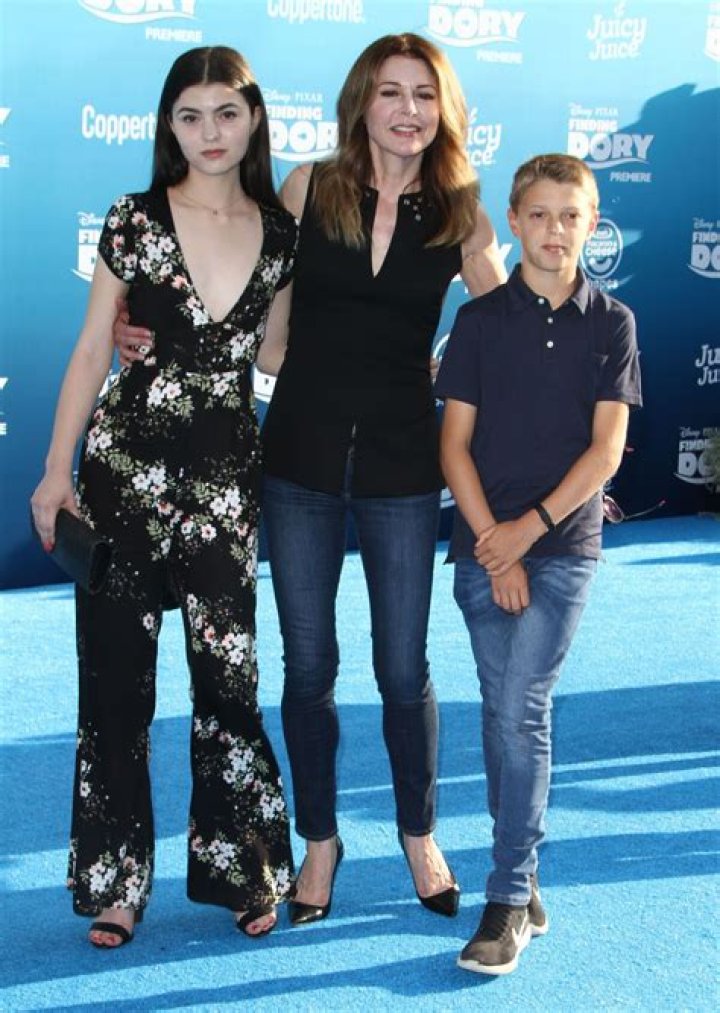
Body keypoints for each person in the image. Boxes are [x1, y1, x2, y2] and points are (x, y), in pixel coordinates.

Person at [114, 32, 507, 926]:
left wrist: (565, 335)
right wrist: (135, 324)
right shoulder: (307, 188)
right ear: (361, 101)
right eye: (391, 92)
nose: (407, 110)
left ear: (443, 110)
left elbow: (506, 332)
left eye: (424, 94)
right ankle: (319, 840)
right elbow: (256, 319)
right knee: (310, 664)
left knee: (402, 667)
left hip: (405, 463)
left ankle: (418, 833)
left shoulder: (461, 212)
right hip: (299, 458)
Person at [30, 46, 296, 948]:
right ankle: (117, 881)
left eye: (227, 112)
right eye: (190, 115)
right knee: (115, 683)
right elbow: (89, 349)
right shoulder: (134, 219)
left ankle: (245, 867)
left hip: (224, 479)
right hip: (123, 471)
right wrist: (55, 469)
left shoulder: (282, 235)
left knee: (230, 680)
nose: (209, 132)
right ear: (167, 125)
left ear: (253, 119)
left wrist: (379, 354)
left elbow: (274, 353)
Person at [435, 153, 642, 974]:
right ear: (514, 222)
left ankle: (508, 894)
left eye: (572, 215)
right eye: (541, 214)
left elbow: (606, 452)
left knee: (522, 705)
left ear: (592, 224)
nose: (556, 230)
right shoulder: (479, 321)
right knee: (500, 710)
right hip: (483, 543)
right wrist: (496, 540)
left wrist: (529, 532)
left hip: (561, 546)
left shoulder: (613, 323)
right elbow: (453, 447)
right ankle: (520, 867)